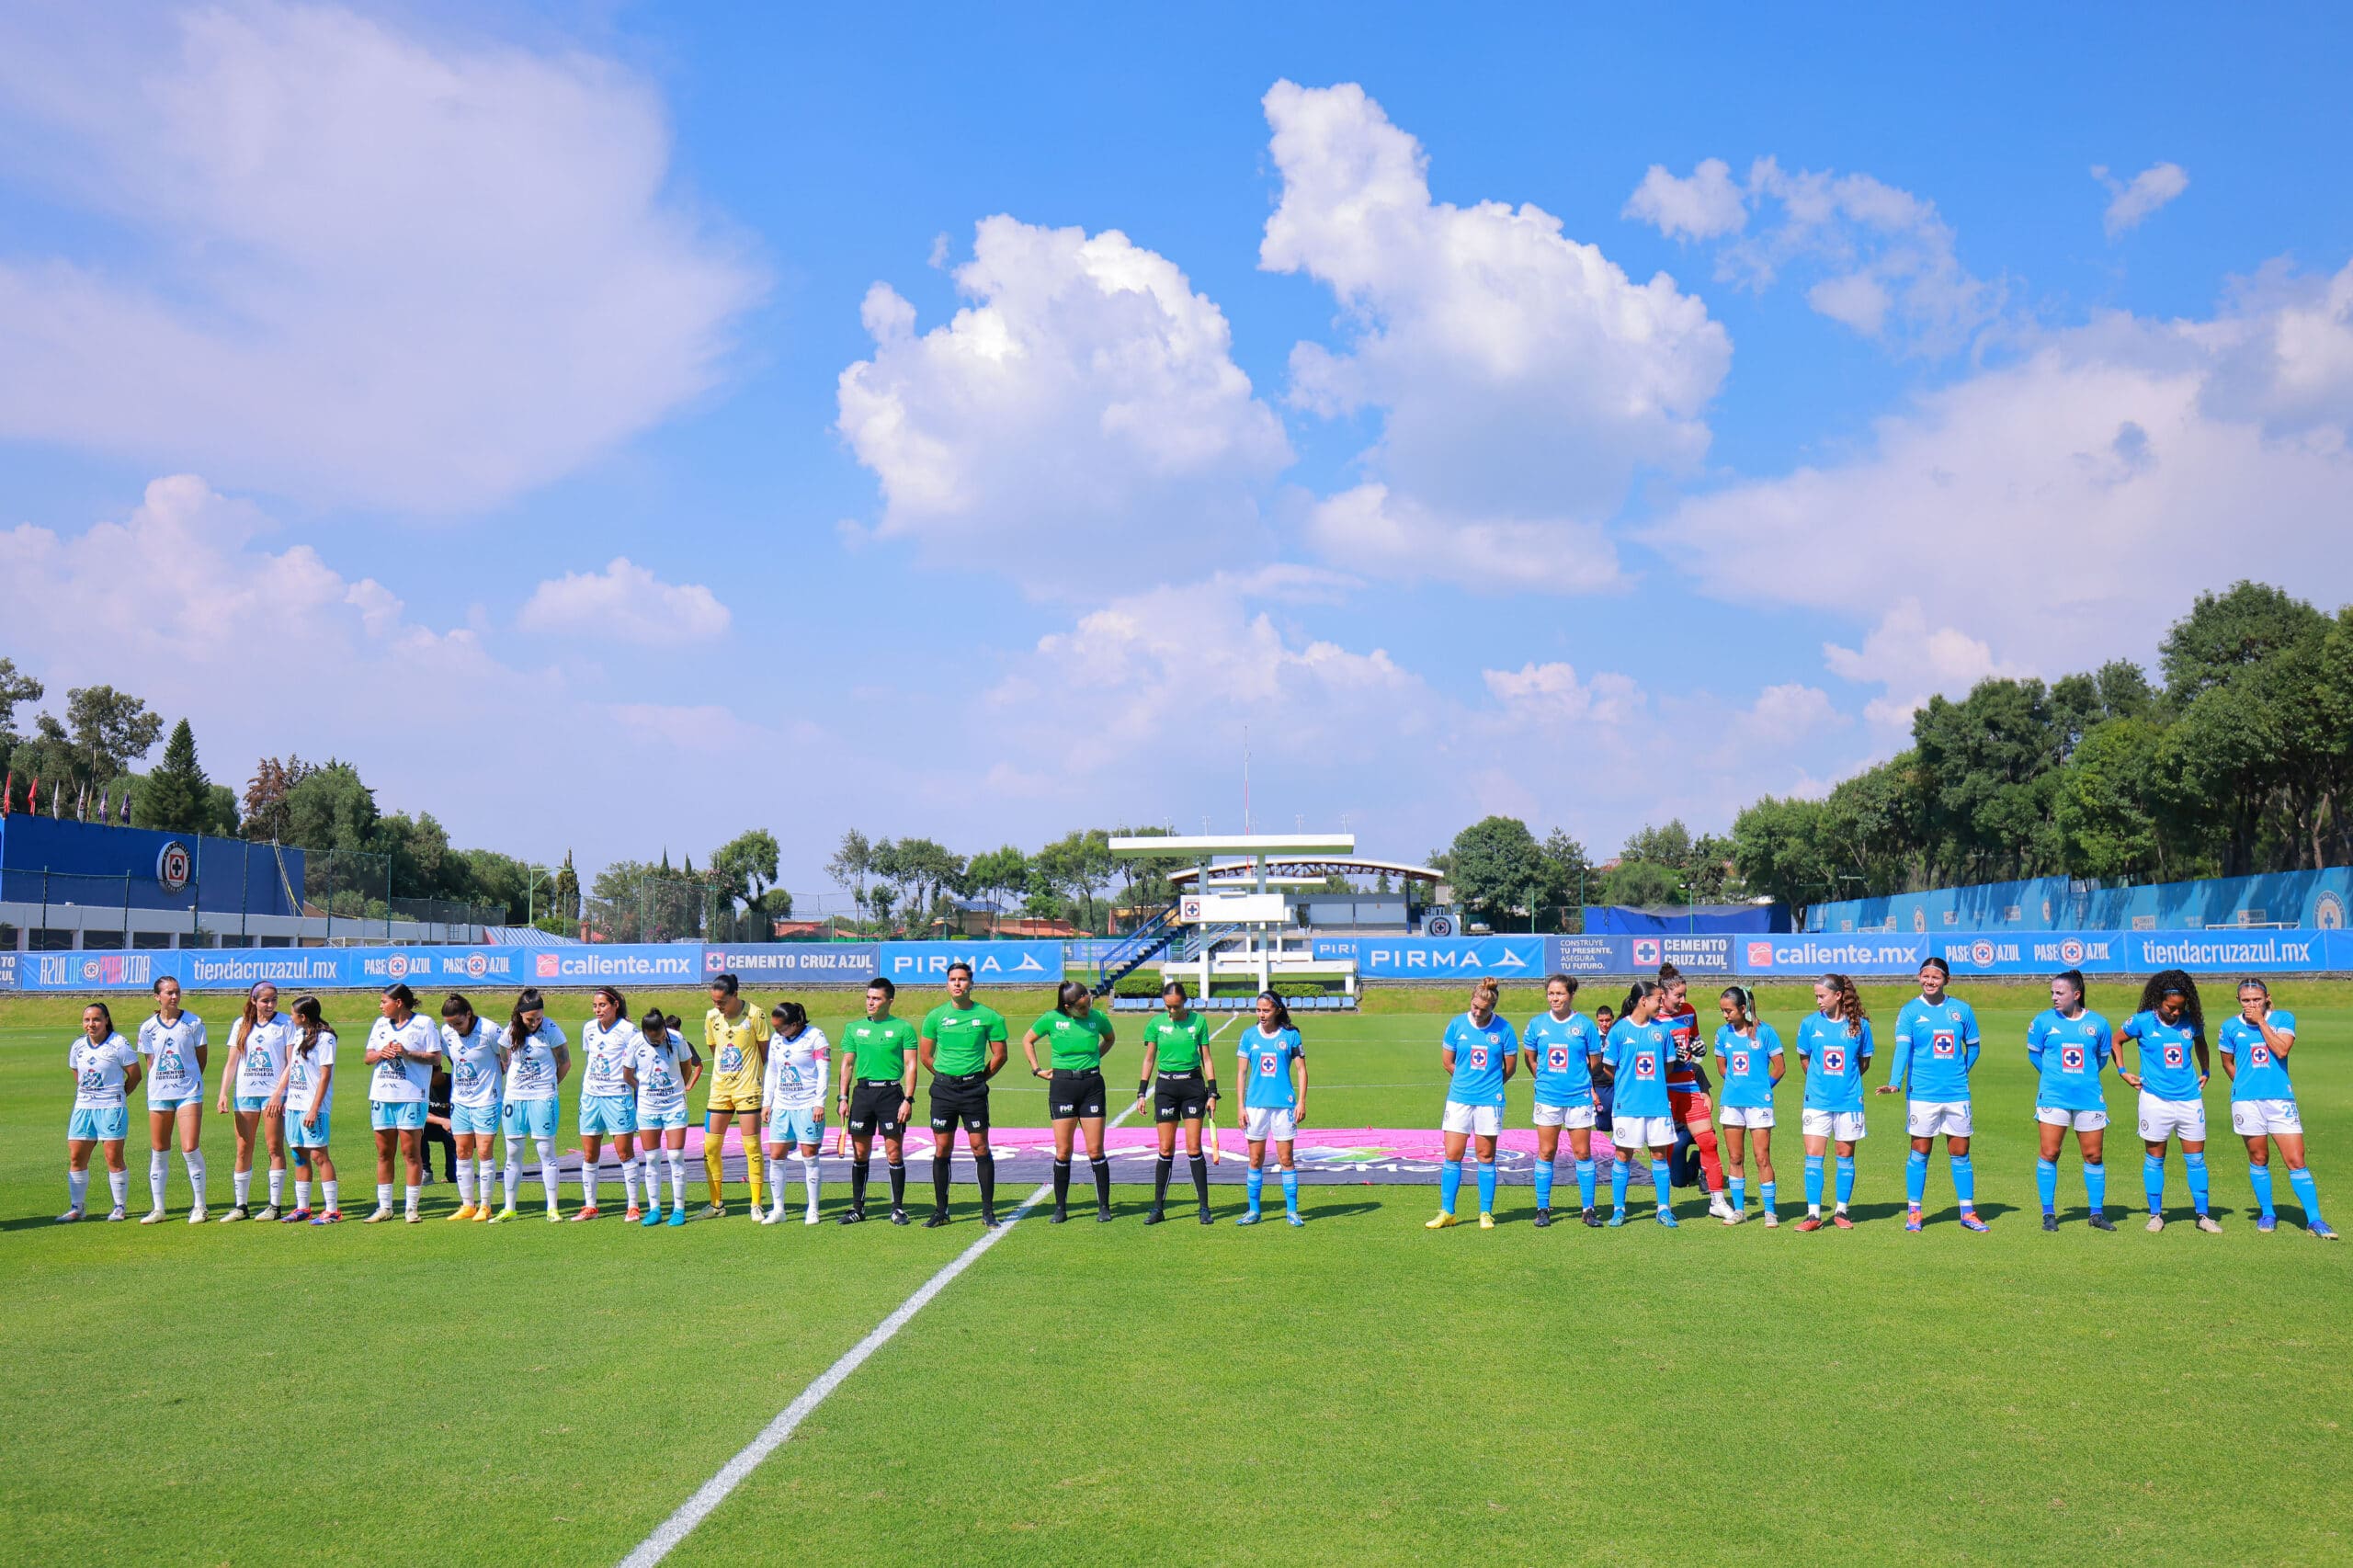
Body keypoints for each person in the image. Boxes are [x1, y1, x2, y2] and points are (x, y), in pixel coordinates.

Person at [1878, 957, 1989, 1233]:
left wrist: (1961, 1071)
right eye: (1925, 976)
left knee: (1960, 1152)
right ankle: (1914, 1211)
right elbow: (1902, 1050)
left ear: (1946, 980)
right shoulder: (1910, 1012)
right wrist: (1895, 1082)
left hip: (1956, 1093)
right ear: (1919, 978)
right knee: (1920, 1150)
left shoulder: (1961, 1011)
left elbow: (1973, 1047)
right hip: (1923, 1094)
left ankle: (1968, 1211)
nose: (1929, 981)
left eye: (1935, 977)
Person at [2220, 980, 2334, 1239]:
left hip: (2280, 1100)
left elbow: (2281, 1050)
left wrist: (2261, 1021)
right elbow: (2227, 1063)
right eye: (2246, 1000)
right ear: (2238, 1000)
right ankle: (2268, 1213)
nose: (2252, 1005)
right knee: (2259, 1159)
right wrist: (2244, 1087)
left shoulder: (2283, 1018)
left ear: (2267, 998)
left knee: (2296, 1160)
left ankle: (2315, 1220)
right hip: (2246, 1102)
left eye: (2257, 999)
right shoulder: (2229, 1027)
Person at [2119, 970, 2222, 1234]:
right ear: (2157, 1001)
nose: (2176, 1013)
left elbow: (2202, 1044)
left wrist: (2206, 1071)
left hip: (2189, 1100)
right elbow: (2116, 1041)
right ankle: (2155, 1215)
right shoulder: (2141, 1022)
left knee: (2196, 1159)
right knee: (2155, 1159)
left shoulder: (2190, 1022)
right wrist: (2123, 1071)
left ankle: (2203, 1215)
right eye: (2170, 1007)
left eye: (2180, 1008)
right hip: (2154, 1100)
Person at [2027, 969, 2119, 1233]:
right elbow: (2036, 1056)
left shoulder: (2098, 1024)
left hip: (2089, 1097)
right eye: (2052, 993)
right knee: (2050, 1152)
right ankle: (2048, 1214)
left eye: (2060, 993)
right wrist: (2055, 1078)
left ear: (2076, 995)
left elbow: (2100, 1060)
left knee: (2093, 1155)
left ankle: (2096, 1214)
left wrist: (2081, 1079)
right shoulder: (2043, 1022)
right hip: (2053, 1097)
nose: (2054, 997)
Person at [918, 961, 1008, 1228]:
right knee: (942, 1148)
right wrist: (946, 1076)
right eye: (952, 979)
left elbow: (1000, 1055)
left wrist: (978, 1078)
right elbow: (926, 1056)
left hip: (973, 1091)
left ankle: (988, 1211)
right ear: (947, 984)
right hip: (944, 1090)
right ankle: (941, 1211)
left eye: (962, 979)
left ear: (971, 983)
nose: (957, 984)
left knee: (980, 1147)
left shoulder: (990, 1016)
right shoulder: (935, 1016)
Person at [1022, 981, 1120, 1224]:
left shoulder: (1097, 1018)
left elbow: (1109, 1038)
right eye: (1082, 1008)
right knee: (1064, 1150)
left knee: (1095, 1149)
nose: (1087, 1011)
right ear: (1068, 1006)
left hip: (1092, 1086)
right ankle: (1060, 1207)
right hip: (1062, 1087)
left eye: (1088, 1005)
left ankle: (1104, 1206)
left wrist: (1095, 1056)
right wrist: (1037, 1069)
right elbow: (1027, 1040)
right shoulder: (1051, 1019)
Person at [1427, 977, 1518, 1231]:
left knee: (1486, 1156)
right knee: (1452, 1155)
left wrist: (1488, 1084)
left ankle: (1485, 1212)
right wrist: (1467, 1081)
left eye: (1483, 1009)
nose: (1478, 1012)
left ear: (1493, 1008)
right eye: (1475, 1006)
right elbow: (1448, 1062)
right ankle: (1447, 1212)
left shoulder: (1504, 1030)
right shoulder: (1457, 1025)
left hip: (1490, 1101)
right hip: (1459, 1099)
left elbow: (1509, 1069)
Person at [1522, 973, 1605, 1228]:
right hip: (1548, 1098)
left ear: (1571, 995)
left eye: (1560, 993)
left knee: (1582, 1152)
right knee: (1546, 1152)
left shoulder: (1585, 1025)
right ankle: (1542, 1208)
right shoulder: (1537, 1024)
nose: (1555, 998)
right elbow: (1530, 1058)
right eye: (1551, 993)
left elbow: (1595, 1062)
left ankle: (1588, 1209)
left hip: (1578, 1098)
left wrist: (1579, 1081)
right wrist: (1546, 1079)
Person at [1793, 972, 1872, 1233]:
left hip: (1849, 1101)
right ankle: (1813, 1214)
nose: (1818, 1000)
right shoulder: (1809, 1024)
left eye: (1822, 996)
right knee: (1814, 1156)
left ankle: (1841, 1210)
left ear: (1838, 995)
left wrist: (1845, 1083)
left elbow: (1863, 1063)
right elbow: (1805, 1059)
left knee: (1845, 1156)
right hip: (1816, 1101)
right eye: (1816, 996)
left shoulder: (1859, 1026)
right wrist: (1822, 1083)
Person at [838, 977, 919, 1224]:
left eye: (877, 998)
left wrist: (908, 1099)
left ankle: (897, 1209)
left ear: (889, 1001)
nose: (871, 1002)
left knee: (893, 1153)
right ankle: (857, 1209)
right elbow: (848, 1064)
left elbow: (910, 1064)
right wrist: (843, 1097)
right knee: (860, 1153)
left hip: (890, 1095)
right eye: (868, 998)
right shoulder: (853, 1028)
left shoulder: (903, 1028)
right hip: (862, 1095)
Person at [1656, 963, 1734, 1221]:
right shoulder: (1650, 1015)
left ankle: (1717, 1200)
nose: (1684, 1000)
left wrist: (1697, 1048)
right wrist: (1665, 1057)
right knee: (1663, 1148)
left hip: (1688, 1085)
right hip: (1661, 1088)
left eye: (1685, 994)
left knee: (1708, 1141)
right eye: (1678, 995)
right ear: (1663, 995)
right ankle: (1663, 1206)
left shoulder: (1689, 1012)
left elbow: (1694, 1042)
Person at [1138, 980, 1218, 1226]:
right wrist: (1142, 1092)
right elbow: (1149, 1059)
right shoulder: (1156, 1024)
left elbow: (1206, 1058)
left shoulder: (1199, 1022)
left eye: (1175, 1007)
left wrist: (1212, 1092)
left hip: (1192, 1087)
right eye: (1168, 1007)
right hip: (1166, 1088)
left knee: (1194, 1148)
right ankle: (1158, 1208)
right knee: (1165, 1149)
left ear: (1184, 1002)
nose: (1171, 1012)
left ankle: (1204, 1208)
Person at [1600, 981, 1678, 1228]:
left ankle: (1664, 1209)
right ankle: (1619, 1209)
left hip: (1656, 1105)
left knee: (1659, 1155)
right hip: (1628, 1106)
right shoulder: (1619, 1031)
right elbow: (1608, 1067)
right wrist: (1628, 1083)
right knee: (1623, 1156)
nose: (1661, 1004)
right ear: (1643, 1000)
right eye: (1658, 999)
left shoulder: (1662, 1030)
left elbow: (1668, 1066)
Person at [215, 982, 296, 1221]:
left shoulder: (285, 1024)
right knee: (243, 1148)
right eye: (265, 1000)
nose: (270, 1005)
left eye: (274, 1000)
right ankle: (241, 1206)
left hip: (273, 1094)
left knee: (274, 1147)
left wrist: (278, 1094)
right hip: (245, 1093)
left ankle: (275, 1206)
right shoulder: (241, 1025)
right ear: (254, 1001)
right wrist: (223, 1093)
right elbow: (232, 1063)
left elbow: (291, 1063)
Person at [364, 983, 440, 1223]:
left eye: (384, 1001)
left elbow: (435, 1058)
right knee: (384, 1153)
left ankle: (411, 1208)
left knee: (411, 1153)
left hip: (410, 1096)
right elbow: (368, 1057)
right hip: (381, 1095)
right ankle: (385, 1207)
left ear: (399, 1003)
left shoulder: (424, 1024)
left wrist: (407, 1053)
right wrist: (381, 1053)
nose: (380, 1006)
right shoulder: (380, 1024)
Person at [700, 971, 772, 1220]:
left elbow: (765, 1053)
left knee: (751, 1145)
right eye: (714, 1001)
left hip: (748, 1089)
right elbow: (715, 1048)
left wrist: (755, 1080)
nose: (717, 1006)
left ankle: (755, 1204)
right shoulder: (712, 1017)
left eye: (721, 1001)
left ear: (735, 996)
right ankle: (716, 1204)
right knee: (710, 1146)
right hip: (720, 1090)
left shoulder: (755, 1014)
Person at [494, 989, 569, 1222]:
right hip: (515, 1098)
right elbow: (503, 1056)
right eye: (530, 1019)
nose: (535, 1022)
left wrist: (548, 1086)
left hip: (542, 1098)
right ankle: (509, 1207)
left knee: (546, 1151)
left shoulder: (552, 1030)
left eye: (538, 1018)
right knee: (513, 1153)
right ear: (520, 1015)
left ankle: (552, 1207)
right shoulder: (511, 1031)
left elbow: (565, 1062)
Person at [138, 976, 209, 1224]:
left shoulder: (193, 1023)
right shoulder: (147, 1028)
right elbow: (150, 1063)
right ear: (157, 996)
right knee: (159, 1150)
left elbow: (201, 1059)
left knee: (189, 1148)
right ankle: (158, 1209)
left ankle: (200, 1206)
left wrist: (187, 1080)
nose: (174, 996)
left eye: (177, 992)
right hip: (159, 1094)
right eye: (169, 993)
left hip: (188, 1092)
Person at [1711, 985, 1783, 1227]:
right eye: (1722, 1011)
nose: (1725, 1015)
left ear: (1743, 1009)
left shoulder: (1765, 1032)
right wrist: (1738, 1086)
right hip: (1731, 1103)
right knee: (1735, 1157)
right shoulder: (1722, 1034)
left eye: (1729, 1010)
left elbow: (1779, 1067)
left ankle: (1770, 1212)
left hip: (1758, 1105)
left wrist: (1763, 1088)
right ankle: (1739, 1210)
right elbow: (1722, 1069)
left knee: (1762, 1157)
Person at [1234, 990, 1306, 1227]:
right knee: (1255, 1159)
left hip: (1283, 1106)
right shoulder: (1248, 1036)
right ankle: (1254, 1210)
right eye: (1258, 1010)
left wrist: (1301, 1101)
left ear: (1277, 1010)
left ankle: (1292, 1211)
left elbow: (1301, 1071)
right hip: (1255, 1106)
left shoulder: (1291, 1036)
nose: (1261, 1014)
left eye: (1266, 1010)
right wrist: (1240, 1106)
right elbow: (1241, 1073)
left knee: (1286, 1158)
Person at [571, 986, 643, 1221]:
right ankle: (590, 1205)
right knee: (590, 1154)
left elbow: (636, 1063)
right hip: (591, 1097)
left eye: (602, 1005)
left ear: (615, 1006)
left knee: (624, 1152)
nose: (597, 1009)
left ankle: (633, 1205)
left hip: (617, 1096)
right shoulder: (589, 1029)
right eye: (594, 1005)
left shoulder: (628, 1031)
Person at [63, 1002, 141, 1221]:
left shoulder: (118, 1043)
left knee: (113, 1157)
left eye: (96, 1019)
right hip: (84, 1107)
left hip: (110, 1107)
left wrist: (119, 1095)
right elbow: (76, 1073)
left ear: (106, 1020)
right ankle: (77, 1207)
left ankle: (119, 1207)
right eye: (87, 1020)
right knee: (76, 1156)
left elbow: (135, 1075)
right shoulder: (78, 1046)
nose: (91, 1024)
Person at [268, 997, 341, 1223]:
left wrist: (314, 1108)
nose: (290, 1017)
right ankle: (303, 1208)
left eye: (293, 1014)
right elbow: (293, 1066)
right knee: (298, 1154)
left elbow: (325, 1075)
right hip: (295, 1105)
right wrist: (282, 1094)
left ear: (303, 1017)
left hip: (313, 1106)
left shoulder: (326, 1038)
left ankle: (332, 1210)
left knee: (319, 1155)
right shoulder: (299, 1034)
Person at [438, 994, 505, 1222]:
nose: (454, 1029)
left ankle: (485, 1205)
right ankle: (467, 1204)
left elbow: (506, 1057)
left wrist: (494, 1078)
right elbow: (452, 1059)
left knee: (484, 1151)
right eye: (450, 1024)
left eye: (458, 1023)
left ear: (469, 1014)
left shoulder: (490, 1030)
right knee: (462, 1151)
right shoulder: (446, 1033)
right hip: (461, 1100)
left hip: (487, 1099)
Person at [757, 1004, 825, 1227]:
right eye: (774, 1028)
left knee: (809, 1155)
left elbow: (824, 1071)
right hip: (782, 1105)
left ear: (795, 1024)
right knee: (776, 1156)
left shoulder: (815, 1037)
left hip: (807, 1105)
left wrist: (819, 1103)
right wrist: (767, 1103)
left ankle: (813, 1209)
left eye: (781, 1028)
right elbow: (772, 1071)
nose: (777, 1032)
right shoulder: (777, 1041)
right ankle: (779, 1209)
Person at [634, 1010, 702, 1226]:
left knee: (675, 1156)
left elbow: (687, 1065)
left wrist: (678, 1088)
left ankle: (679, 1209)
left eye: (661, 1035)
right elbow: (628, 1073)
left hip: (674, 1106)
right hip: (648, 1108)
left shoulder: (677, 1038)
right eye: (654, 1038)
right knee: (652, 1158)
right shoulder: (636, 1042)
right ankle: (654, 1208)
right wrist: (643, 1091)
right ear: (646, 1033)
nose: (660, 1040)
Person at [422, 1065, 457, 1187]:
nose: (429, 1079)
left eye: (432, 1075)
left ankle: (454, 1172)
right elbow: (419, 1113)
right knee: (416, 1130)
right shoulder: (422, 1084)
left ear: (440, 1069)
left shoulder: (454, 1082)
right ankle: (425, 1171)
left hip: (454, 1128)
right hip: (431, 1126)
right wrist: (442, 1121)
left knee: (454, 1177)